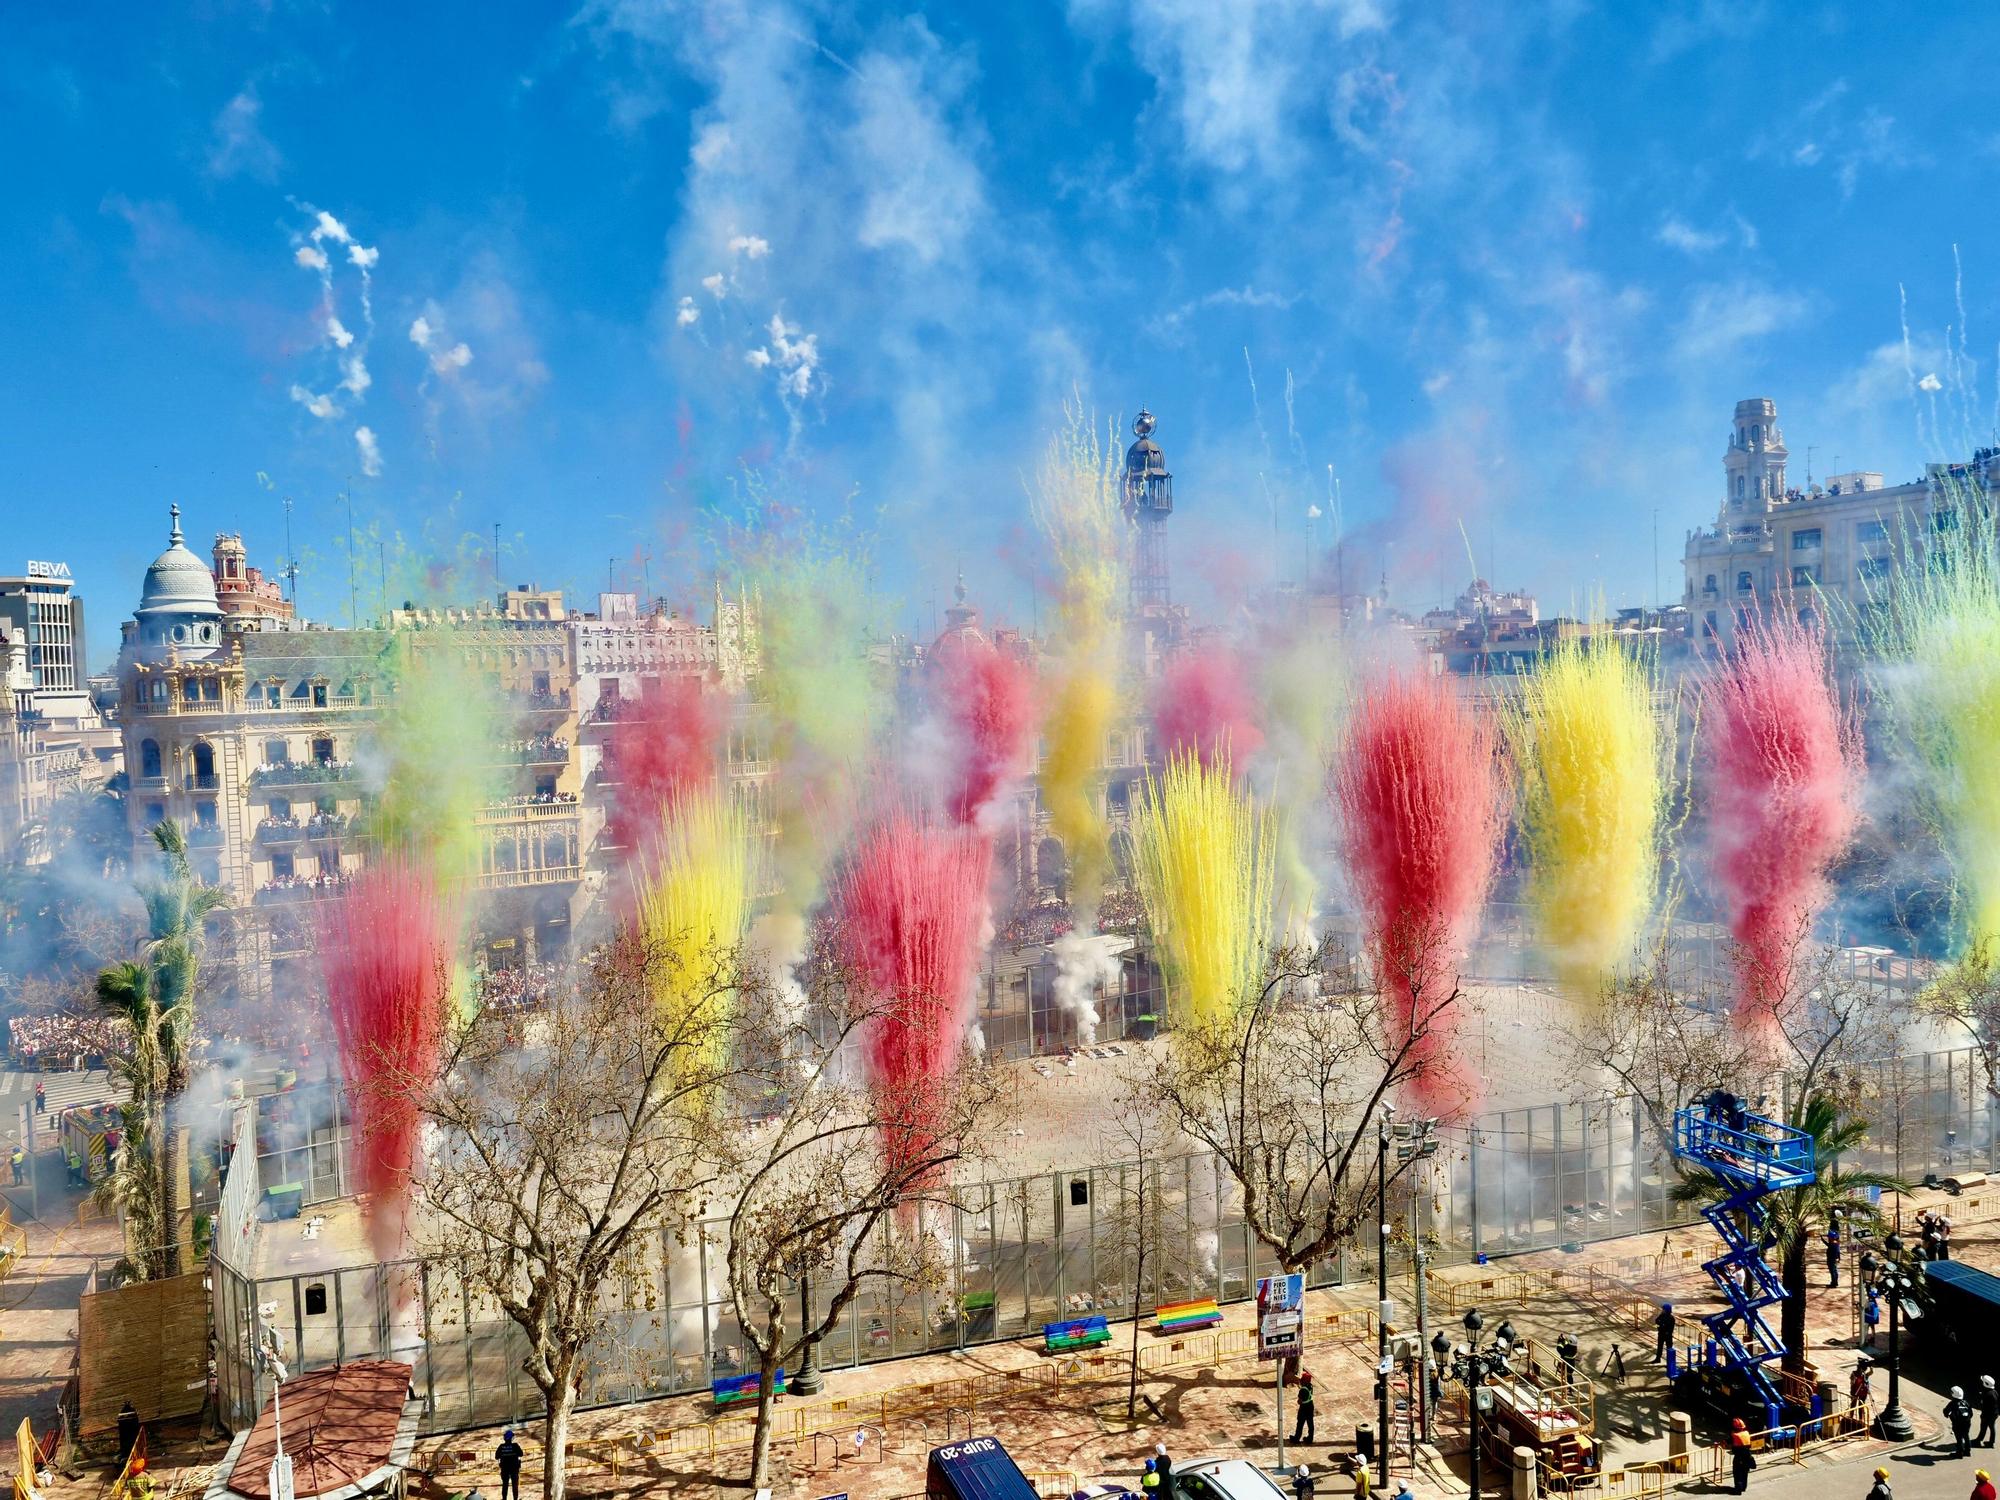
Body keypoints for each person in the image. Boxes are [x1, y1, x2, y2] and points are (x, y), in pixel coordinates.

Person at [495, 1428, 524, 1500]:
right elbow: (521, 1454)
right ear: (511, 1438)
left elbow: (496, 1457)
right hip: (514, 1469)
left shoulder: (501, 1447)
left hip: (505, 1470)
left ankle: (504, 1498)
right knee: (515, 1485)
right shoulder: (515, 1446)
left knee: (505, 1485)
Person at [1730, 1418, 1755, 1495]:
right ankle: (1743, 1487)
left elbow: (1728, 1442)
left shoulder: (1734, 1435)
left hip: (1739, 1457)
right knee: (1745, 1473)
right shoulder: (1747, 1434)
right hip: (1747, 1457)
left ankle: (1738, 1490)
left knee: (1737, 1474)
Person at [1949, 1387, 1975, 1458]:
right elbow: (1971, 1413)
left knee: (1959, 1438)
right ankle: (1967, 1451)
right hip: (1967, 1423)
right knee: (1966, 1436)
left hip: (1958, 1424)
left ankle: (1959, 1453)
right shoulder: (1966, 1402)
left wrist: (1949, 1416)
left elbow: (1946, 1411)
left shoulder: (1952, 1403)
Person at [1292, 1369, 1316, 1444]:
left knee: (1300, 1423)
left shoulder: (1303, 1390)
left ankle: (1296, 1438)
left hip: (1304, 1407)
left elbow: (1299, 1401)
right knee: (1310, 1422)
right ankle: (1310, 1438)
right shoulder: (1310, 1386)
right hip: (1310, 1405)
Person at [1979, 1376, 1999, 1449]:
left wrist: (1982, 1415)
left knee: (1983, 1427)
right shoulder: (1994, 1392)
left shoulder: (1987, 1394)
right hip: (1995, 1414)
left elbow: (1984, 1405)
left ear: (1985, 1384)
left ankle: (1978, 1440)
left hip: (1987, 1415)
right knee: (1992, 1427)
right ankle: (1991, 1442)